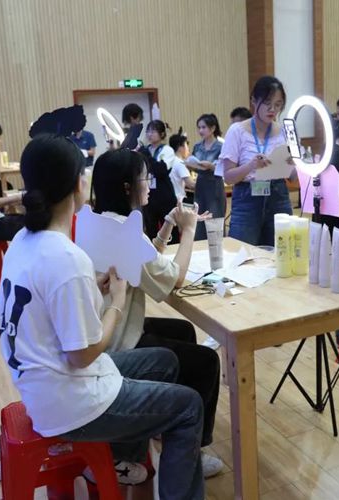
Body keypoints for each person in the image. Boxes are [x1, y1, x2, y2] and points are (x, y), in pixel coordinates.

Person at [0, 136, 205, 498]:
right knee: (189, 407)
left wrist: (93, 286)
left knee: (166, 361)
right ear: (77, 185)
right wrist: (116, 304)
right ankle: (131, 462)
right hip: (72, 401)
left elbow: (50, 303)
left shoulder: (23, 242)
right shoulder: (65, 258)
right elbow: (83, 354)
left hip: (42, 387)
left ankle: (123, 460)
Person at [91, 149, 223, 479]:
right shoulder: (125, 232)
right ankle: (192, 451)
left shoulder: (103, 221)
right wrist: (189, 230)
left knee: (183, 332)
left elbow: (148, 260)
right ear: (127, 187)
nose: (149, 185)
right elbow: (174, 278)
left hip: (112, 327)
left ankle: (166, 424)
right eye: (144, 178)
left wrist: (167, 226)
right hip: (118, 340)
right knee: (207, 362)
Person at [221, 75, 294, 246]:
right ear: (254, 100)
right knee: (242, 252)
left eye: (278, 104)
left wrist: (302, 165)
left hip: (278, 196)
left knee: (281, 252)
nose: (272, 109)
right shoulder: (237, 131)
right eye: (267, 103)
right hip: (247, 198)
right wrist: (250, 166)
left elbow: (293, 177)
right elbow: (228, 177)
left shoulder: (286, 131)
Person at [188, 114, 225, 240]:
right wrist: (189, 165)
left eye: (203, 127)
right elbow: (194, 164)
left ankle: (217, 247)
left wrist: (211, 166)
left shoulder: (221, 146)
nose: (200, 130)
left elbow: (224, 168)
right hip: (200, 184)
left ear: (213, 128)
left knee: (214, 219)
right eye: (199, 127)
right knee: (199, 218)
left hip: (214, 184)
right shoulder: (197, 146)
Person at [168, 130, 195, 202]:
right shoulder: (180, 163)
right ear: (180, 147)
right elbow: (191, 185)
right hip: (178, 200)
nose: (188, 149)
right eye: (186, 145)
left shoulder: (168, 160)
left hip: (168, 197)